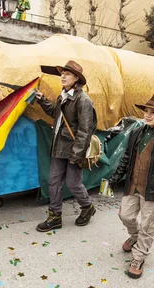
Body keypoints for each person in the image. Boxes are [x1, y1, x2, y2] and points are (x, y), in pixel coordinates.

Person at [108, 94, 154, 279]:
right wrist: (115, 178)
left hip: (153, 191)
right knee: (125, 215)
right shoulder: (136, 132)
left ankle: (138, 258)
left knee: (148, 225)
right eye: (147, 111)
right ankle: (135, 236)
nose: (147, 115)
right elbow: (126, 158)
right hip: (133, 184)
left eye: (153, 113)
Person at [34, 60, 96, 232]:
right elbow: (57, 114)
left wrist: (77, 155)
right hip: (59, 146)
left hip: (73, 148)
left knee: (73, 183)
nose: (63, 76)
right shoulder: (64, 95)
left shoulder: (83, 100)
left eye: (67, 74)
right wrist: (42, 101)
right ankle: (55, 216)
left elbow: (85, 130)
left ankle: (87, 206)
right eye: (62, 73)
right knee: (53, 181)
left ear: (76, 78)